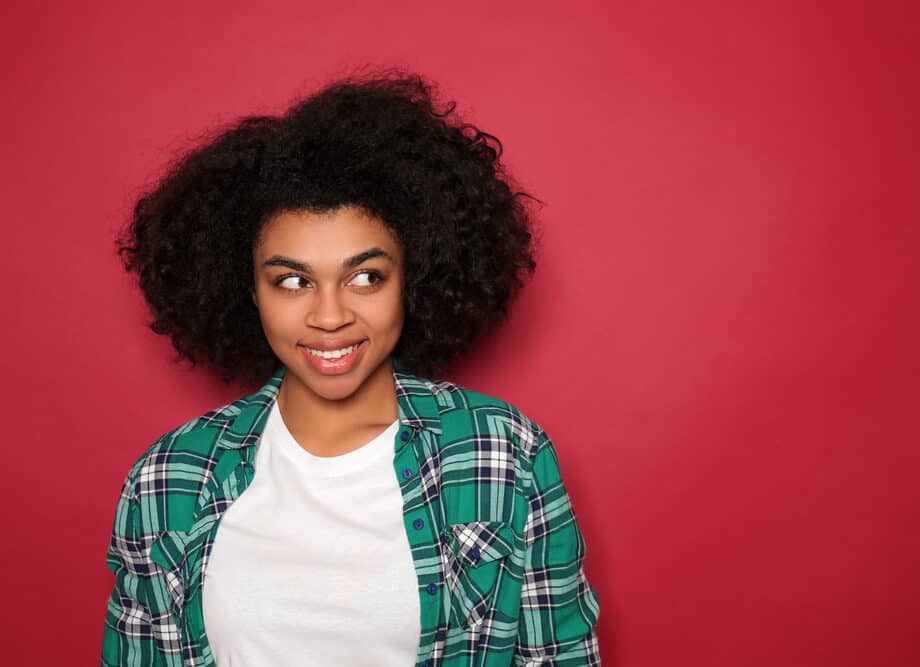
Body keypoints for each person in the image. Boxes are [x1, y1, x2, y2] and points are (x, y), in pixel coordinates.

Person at [101, 70, 601, 667]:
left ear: (412, 280)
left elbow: (561, 656)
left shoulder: (502, 455)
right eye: (292, 281)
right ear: (247, 292)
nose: (330, 316)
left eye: (366, 277)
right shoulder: (167, 480)